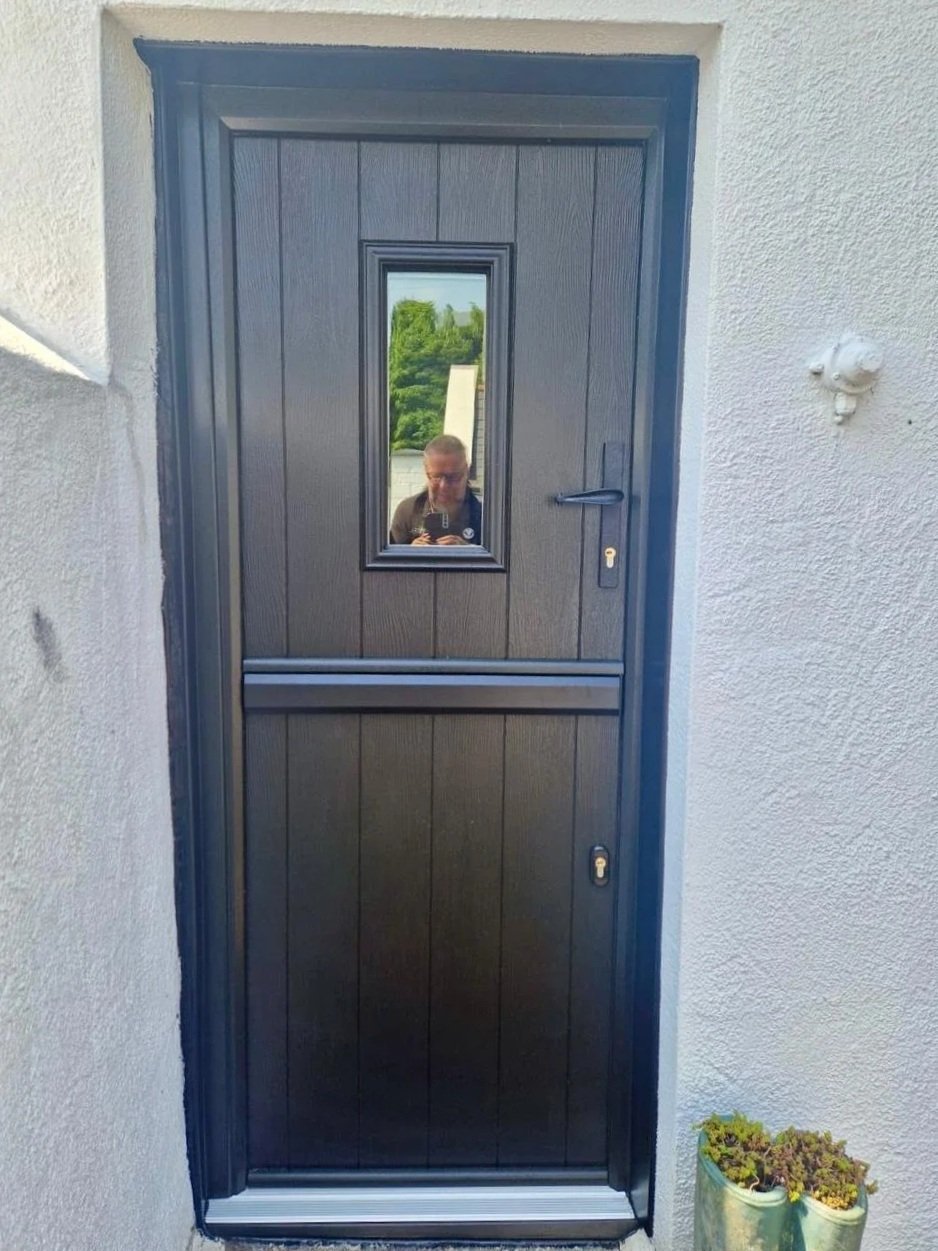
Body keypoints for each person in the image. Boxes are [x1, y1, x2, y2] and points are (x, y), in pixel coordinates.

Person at [389, 434, 482, 546]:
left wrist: (469, 553)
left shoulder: (484, 517)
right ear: (426, 472)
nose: (444, 486)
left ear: (467, 471)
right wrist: (411, 552)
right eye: (437, 477)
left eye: (452, 477)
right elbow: (388, 561)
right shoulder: (408, 511)